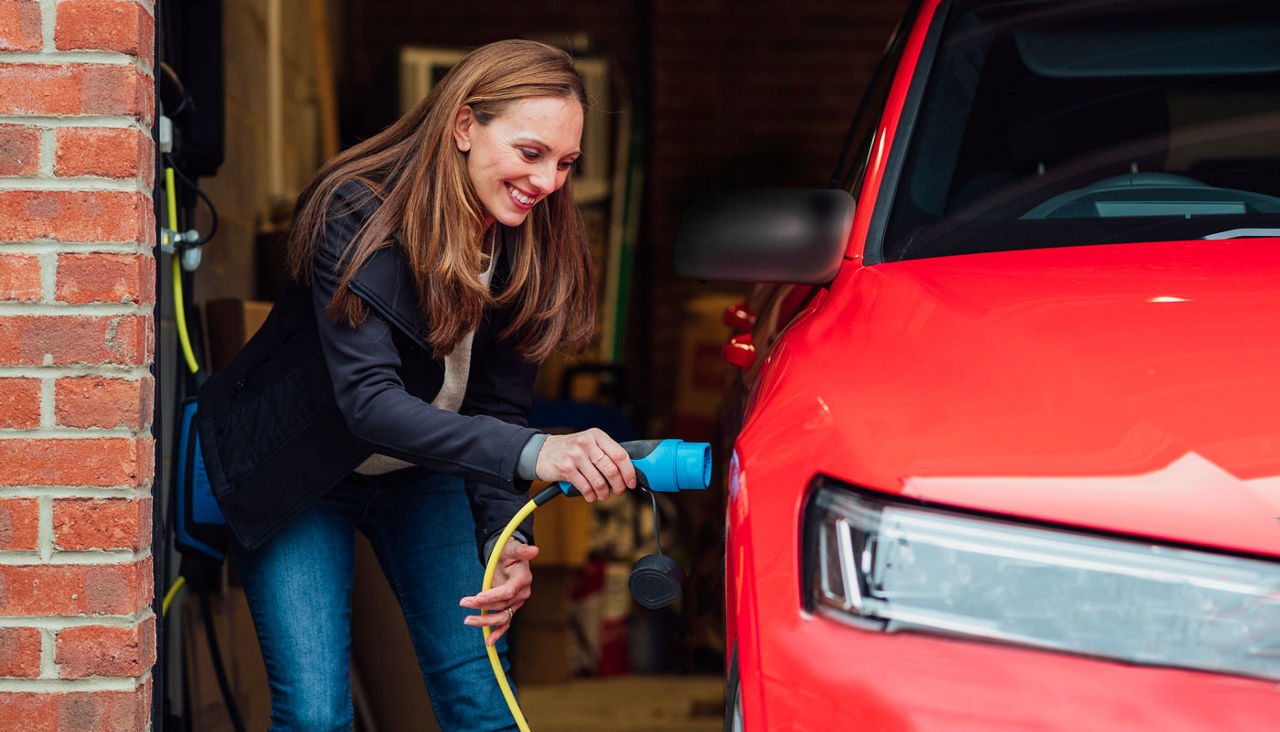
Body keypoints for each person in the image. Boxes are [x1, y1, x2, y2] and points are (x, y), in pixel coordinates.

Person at [196, 39, 637, 731]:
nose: (550, 181)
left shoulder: (530, 239)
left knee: (480, 701)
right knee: (314, 716)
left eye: (565, 163)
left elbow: (496, 405)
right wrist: (535, 454)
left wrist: (503, 539)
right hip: (302, 473)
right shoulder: (356, 212)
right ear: (464, 126)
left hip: (421, 476)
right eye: (531, 153)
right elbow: (369, 404)